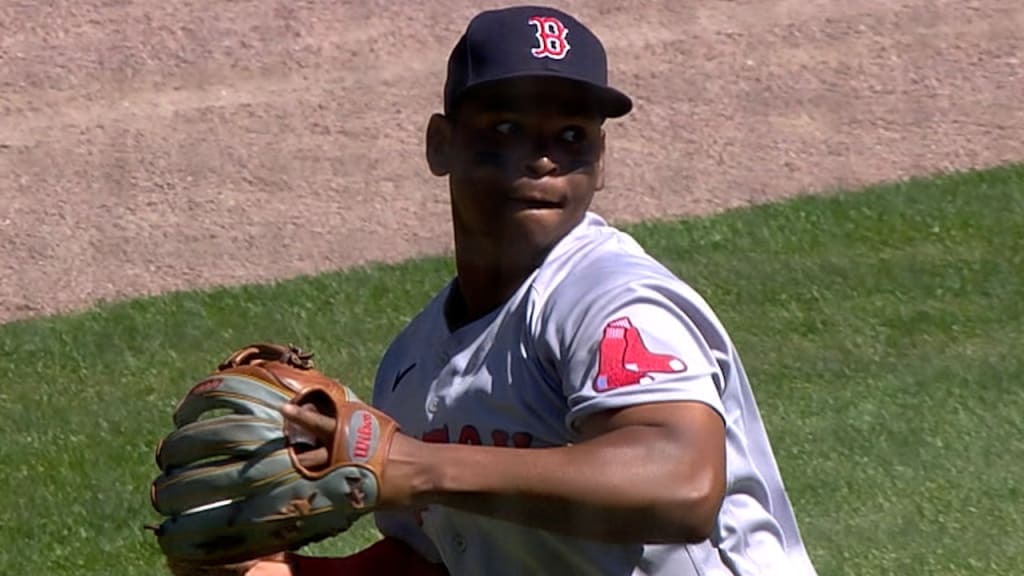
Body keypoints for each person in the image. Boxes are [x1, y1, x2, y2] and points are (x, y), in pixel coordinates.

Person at [191, 5, 818, 575]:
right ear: (441, 144)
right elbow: (444, 562)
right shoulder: (412, 366)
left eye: (571, 136)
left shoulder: (612, 301)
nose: (542, 158)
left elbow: (680, 486)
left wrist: (414, 466)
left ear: (602, 161)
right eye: (507, 127)